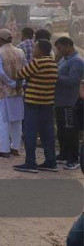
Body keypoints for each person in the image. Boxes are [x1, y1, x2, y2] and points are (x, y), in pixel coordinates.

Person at [12, 39, 58, 173]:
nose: (33, 50)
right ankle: (51, 162)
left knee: (30, 133)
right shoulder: (53, 64)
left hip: (33, 103)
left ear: (41, 50)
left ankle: (30, 162)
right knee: (47, 134)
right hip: (48, 103)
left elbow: (20, 74)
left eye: (36, 48)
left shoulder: (37, 62)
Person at [0, 29, 27, 158]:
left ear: (1, 39)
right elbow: (26, 69)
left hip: (1, 92)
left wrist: (10, 83)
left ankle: (4, 149)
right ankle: (15, 147)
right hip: (17, 91)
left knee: (1, 120)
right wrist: (20, 83)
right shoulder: (20, 52)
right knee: (16, 120)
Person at [54, 36, 84, 170]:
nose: (58, 51)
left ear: (67, 45)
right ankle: (64, 154)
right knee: (62, 129)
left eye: (60, 48)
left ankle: (73, 158)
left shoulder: (76, 61)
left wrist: (55, 77)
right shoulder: (64, 59)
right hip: (61, 100)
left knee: (71, 130)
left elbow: (73, 80)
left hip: (70, 101)